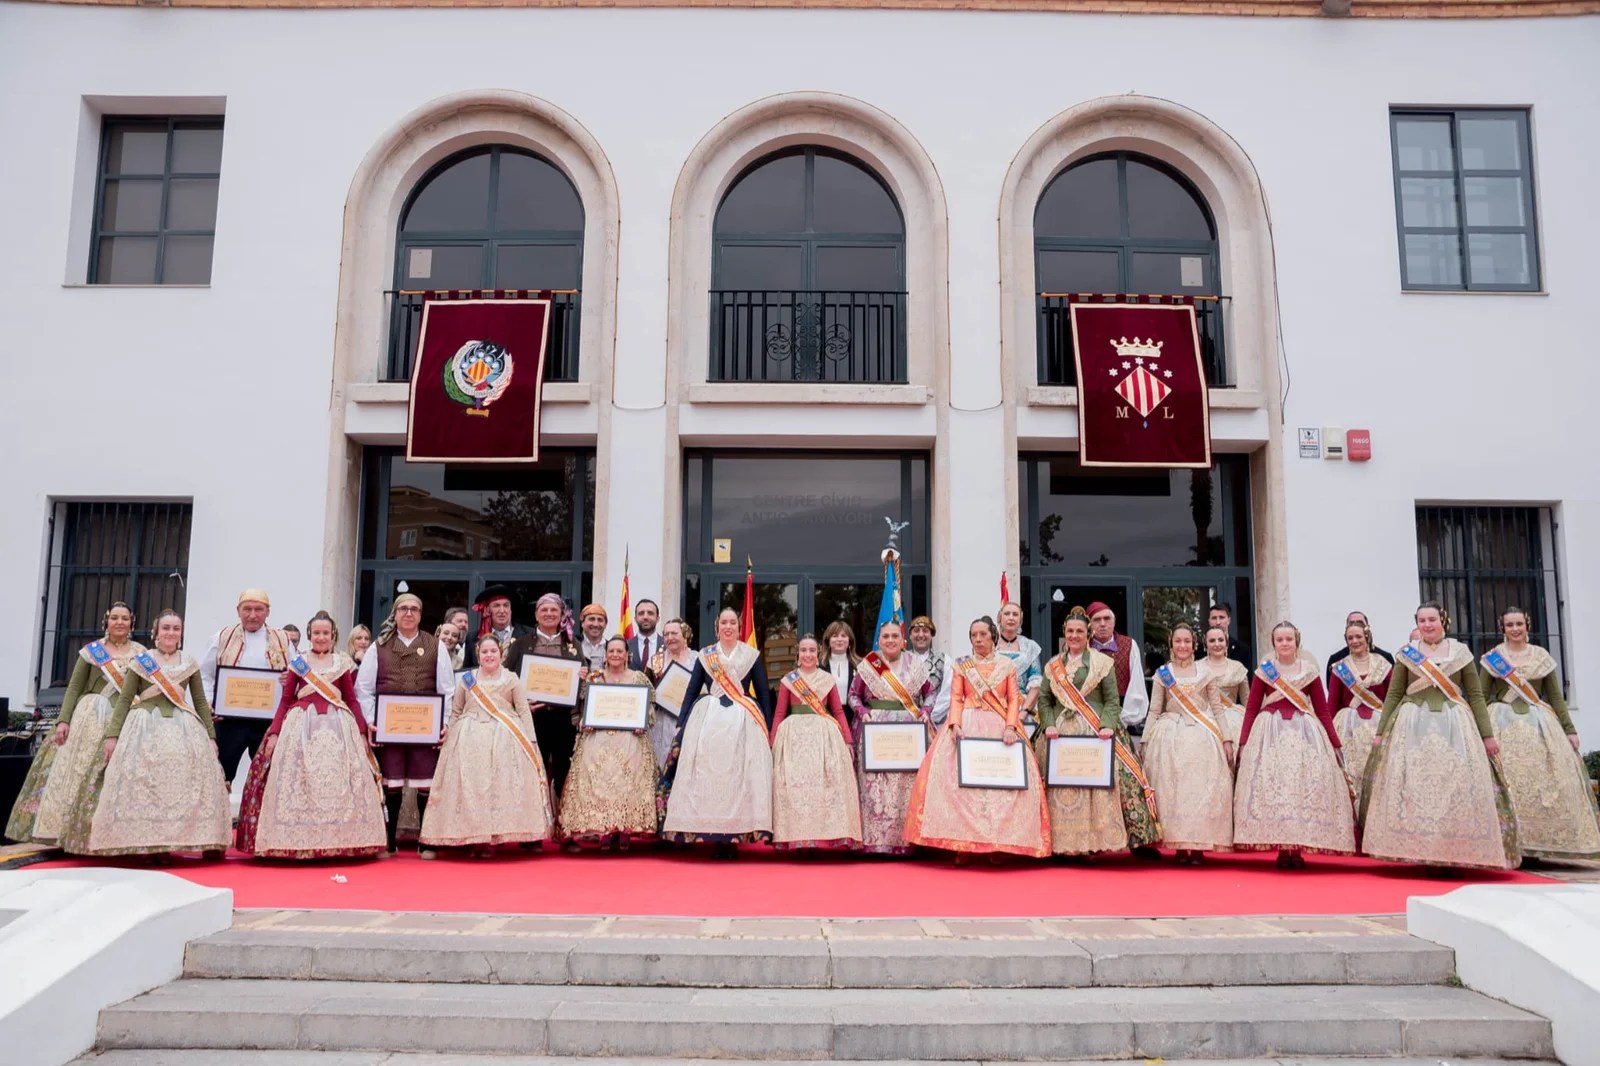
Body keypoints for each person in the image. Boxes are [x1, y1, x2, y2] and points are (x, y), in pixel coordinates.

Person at [1361, 603, 1519, 871]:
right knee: (1414, 788)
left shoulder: (1461, 653)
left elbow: (1476, 695)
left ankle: (1452, 849)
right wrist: (1380, 733)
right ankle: (1418, 850)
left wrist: (1487, 735)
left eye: (1432, 619)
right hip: (1412, 727)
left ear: (1443, 620)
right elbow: (1395, 694)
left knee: (1454, 786)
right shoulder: (1407, 655)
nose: (1427, 625)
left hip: (1454, 726)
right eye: (1422, 620)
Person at [64, 610, 230, 859]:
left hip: (184, 727)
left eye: (175, 628)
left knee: (191, 785)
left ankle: (200, 840)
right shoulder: (141, 661)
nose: (170, 633)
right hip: (143, 727)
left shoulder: (190, 663)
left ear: (181, 633)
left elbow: (199, 700)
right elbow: (124, 701)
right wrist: (113, 736)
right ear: (156, 632)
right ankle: (152, 844)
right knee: (147, 786)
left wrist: (210, 736)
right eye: (165, 628)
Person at [235, 612, 385, 860]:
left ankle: (342, 841)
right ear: (309, 636)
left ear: (333, 635)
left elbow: (351, 700)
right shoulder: (299, 662)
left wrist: (360, 730)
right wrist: (274, 733)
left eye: (326, 633)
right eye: (317, 633)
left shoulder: (342, 662)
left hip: (339, 728)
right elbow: (285, 701)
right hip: (300, 727)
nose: (321, 637)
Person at [904, 616, 1049, 860]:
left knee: (999, 787)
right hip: (967, 724)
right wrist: (955, 724)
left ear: (993, 636)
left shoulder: (1006, 666)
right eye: (974, 635)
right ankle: (963, 844)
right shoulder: (962, 665)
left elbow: (1013, 699)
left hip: (1000, 725)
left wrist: (1011, 727)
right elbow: (956, 697)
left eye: (983, 634)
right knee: (961, 788)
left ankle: (998, 844)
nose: (978, 639)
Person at [8, 603, 144, 844]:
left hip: (125, 718)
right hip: (90, 717)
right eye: (114, 618)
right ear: (106, 621)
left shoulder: (141, 653)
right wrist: (63, 720)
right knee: (78, 772)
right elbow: (74, 688)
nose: (120, 622)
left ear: (132, 622)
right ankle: (69, 831)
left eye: (124, 618)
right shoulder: (92, 652)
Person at [1033, 608, 1158, 859]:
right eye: (1070, 631)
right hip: (1059, 731)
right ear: (1064, 634)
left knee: (1122, 776)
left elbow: (1112, 700)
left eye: (1079, 631)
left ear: (1087, 633)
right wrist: (1048, 725)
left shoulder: (1103, 663)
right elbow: (1044, 701)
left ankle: (1112, 841)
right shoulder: (1052, 666)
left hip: (1097, 727)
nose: (1074, 635)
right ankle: (1061, 845)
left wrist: (1108, 725)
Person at [1480, 607, 1598, 862]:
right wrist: (1483, 729)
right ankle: (1510, 843)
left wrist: (1569, 729)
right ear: (1503, 628)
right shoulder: (1493, 658)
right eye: (1509, 624)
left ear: (1527, 625)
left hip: (1539, 724)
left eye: (1519, 624)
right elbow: (1481, 694)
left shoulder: (1541, 657)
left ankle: (1541, 843)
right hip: (1502, 725)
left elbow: (1555, 696)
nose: (1514, 629)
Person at [1233, 622, 1355, 868]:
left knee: (1301, 790)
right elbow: (1252, 708)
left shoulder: (1309, 672)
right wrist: (1244, 742)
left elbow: (1321, 709)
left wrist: (1334, 742)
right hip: (1270, 735)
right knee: (1276, 789)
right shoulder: (1264, 672)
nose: (1285, 643)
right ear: (1274, 643)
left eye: (1289, 639)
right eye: (1280, 640)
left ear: (1296, 641)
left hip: (1305, 734)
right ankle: (1282, 848)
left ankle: (1297, 848)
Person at [421, 634, 554, 856]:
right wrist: (448, 737)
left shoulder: (511, 679)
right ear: (478, 654)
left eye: (493, 651)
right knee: (472, 788)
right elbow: (456, 710)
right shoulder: (467, 679)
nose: (489, 655)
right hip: (469, 738)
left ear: (501, 654)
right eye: (485, 652)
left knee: (501, 787)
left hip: (507, 738)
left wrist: (531, 741)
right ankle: (473, 839)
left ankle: (497, 838)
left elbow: (522, 710)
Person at [659, 607, 774, 859]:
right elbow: (692, 690)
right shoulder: (705, 655)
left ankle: (733, 837)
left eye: (733, 622)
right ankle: (707, 832)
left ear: (738, 626)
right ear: (717, 626)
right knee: (705, 774)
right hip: (709, 717)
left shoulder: (750, 654)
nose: (728, 627)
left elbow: (764, 692)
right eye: (724, 622)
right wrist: (682, 721)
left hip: (743, 718)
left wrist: (767, 725)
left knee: (738, 777)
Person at [356, 592, 455, 856]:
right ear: (395, 614)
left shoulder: (436, 646)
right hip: (390, 727)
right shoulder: (378, 646)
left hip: (426, 726)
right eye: (403, 609)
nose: (409, 613)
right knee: (392, 783)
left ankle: (426, 840)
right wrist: (371, 720)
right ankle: (389, 841)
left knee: (425, 783)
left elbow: (446, 689)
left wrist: (444, 723)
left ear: (421, 615)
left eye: (414, 609)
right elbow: (363, 689)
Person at [1144, 624, 1232, 863]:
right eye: (1177, 641)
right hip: (1170, 735)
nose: (1182, 646)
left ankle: (1199, 846)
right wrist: (1145, 740)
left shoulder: (1205, 672)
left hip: (1203, 736)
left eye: (1187, 641)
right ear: (1171, 644)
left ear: (1194, 645)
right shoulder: (1163, 673)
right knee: (1175, 793)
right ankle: (1180, 846)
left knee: (1202, 792)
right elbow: (1154, 710)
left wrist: (1226, 738)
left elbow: (1217, 709)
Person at [560, 636, 658, 851]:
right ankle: (603, 831)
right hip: (598, 736)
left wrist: (642, 722)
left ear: (627, 654)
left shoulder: (638, 678)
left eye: (619, 651)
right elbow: (585, 707)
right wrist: (586, 721)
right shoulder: (594, 678)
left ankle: (624, 832)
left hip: (630, 737)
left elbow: (650, 709)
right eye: (611, 651)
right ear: (605, 654)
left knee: (627, 781)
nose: (615, 654)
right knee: (598, 780)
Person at [849, 619, 933, 854]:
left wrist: (925, 711)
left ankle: (907, 842)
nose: (890, 640)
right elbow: (853, 695)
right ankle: (876, 842)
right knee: (876, 787)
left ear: (903, 639)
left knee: (906, 785)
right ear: (879, 640)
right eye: (886, 636)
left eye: (895, 636)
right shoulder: (869, 664)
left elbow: (930, 694)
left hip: (910, 731)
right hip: (874, 729)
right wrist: (862, 712)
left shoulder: (915, 664)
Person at [771, 634, 862, 850]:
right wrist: (772, 741)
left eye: (812, 650)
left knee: (823, 787)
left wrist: (848, 741)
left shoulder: (826, 679)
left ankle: (823, 837)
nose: (808, 655)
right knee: (796, 788)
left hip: (824, 736)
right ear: (798, 654)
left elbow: (838, 711)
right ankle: (798, 837)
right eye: (804, 650)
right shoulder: (788, 680)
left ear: (818, 653)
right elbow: (779, 713)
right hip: (793, 737)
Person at [200, 588, 292, 789]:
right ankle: (219, 818)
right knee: (220, 773)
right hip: (229, 719)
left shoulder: (283, 639)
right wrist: (208, 703)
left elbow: (301, 674)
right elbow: (205, 675)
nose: (252, 615)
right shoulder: (222, 637)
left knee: (268, 776)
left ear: (268, 612)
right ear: (238, 611)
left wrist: (290, 678)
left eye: (258, 609)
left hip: (268, 722)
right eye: (247, 609)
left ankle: (258, 820)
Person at [504, 592, 584, 797]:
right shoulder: (520, 644)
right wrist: (519, 704)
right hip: (531, 717)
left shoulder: (573, 644)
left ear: (561, 615)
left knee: (563, 771)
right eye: (544, 610)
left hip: (563, 718)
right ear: (536, 615)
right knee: (532, 769)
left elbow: (583, 681)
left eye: (554, 610)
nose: (549, 614)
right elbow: (506, 679)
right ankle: (535, 822)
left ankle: (560, 820)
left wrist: (583, 675)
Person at [1326, 618, 1391, 807]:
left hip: (1378, 727)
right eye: (1350, 638)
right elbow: (1332, 704)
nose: (1354, 641)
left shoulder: (1383, 665)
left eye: (1358, 637)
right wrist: (1328, 735)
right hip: (1348, 730)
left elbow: (1390, 699)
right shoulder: (1340, 668)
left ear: (1367, 637)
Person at [1086, 602, 1150, 732]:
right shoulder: (1083, 648)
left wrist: (1125, 719)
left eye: (1107, 619)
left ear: (1114, 622)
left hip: (1122, 718)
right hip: (1088, 717)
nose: (1103, 623)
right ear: (1089, 624)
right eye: (1097, 620)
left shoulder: (1129, 645)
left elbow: (1136, 684)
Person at [645, 618, 696, 770]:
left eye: (674, 633)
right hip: (662, 720)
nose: (669, 638)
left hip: (689, 719)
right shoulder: (655, 661)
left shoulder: (697, 659)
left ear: (685, 635)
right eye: (666, 634)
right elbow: (646, 690)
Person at [995, 602, 1044, 731]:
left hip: (1023, 708)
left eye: (1015, 614)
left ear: (1020, 621)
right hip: (994, 706)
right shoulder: (990, 645)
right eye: (1007, 614)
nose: (1011, 617)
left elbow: (1036, 683)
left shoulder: (1030, 647)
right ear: (1000, 618)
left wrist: (1024, 712)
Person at [1202, 626, 1250, 747]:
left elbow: (1247, 701)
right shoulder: (1198, 667)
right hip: (1205, 718)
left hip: (1235, 717)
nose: (1217, 644)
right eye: (1212, 641)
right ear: (1205, 643)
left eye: (1220, 640)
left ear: (1226, 642)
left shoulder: (1237, 667)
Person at [467, 586, 531, 668]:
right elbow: (467, 670)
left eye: (506, 605)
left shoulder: (528, 634)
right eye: (496, 606)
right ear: (487, 610)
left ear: (511, 610)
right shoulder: (472, 638)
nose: (502, 611)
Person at [1326, 611, 1394, 686]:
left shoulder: (1385, 658)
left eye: (1360, 622)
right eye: (1351, 623)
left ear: (1367, 628)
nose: (1355, 625)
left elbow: (1394, 692)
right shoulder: (1336, 659)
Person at [906, 615, 951, 725]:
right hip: (907, 723)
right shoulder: (903, 659)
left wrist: (931, 717)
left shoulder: (944, 660)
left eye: (925, 631)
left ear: (931, 635)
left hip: (936, 724)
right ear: (910, 636)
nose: (921, 635)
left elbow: (947, 693)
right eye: (916, 631)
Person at [820, 621, 858, 725]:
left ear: (850, 640)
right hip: (827, 719)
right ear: (828, 640)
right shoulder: (820, 667)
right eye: (835, 636)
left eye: (844, 636)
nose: (839, 639)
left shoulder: (859, 666)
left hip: (853, 718)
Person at [1206, 604, 1251, 668]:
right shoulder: (1199, 650)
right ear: (1209, 621)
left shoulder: (1242, 650)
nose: (1218, 622)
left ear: (1229, 620)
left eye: (1221, 617)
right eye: (1214, 618)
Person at [628, 599, 662, 671]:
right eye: (641, 613)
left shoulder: (667, 645)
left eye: (650, 613)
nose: (645, 617)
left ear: (658, 619)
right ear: (635, 619)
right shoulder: (626, 646)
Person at [579, 604, 609, 672]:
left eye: (600, 620)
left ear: (605, 624)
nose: (595, 624)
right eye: (591, 619)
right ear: (582, 623)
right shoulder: (572, 645)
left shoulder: (611, 647)